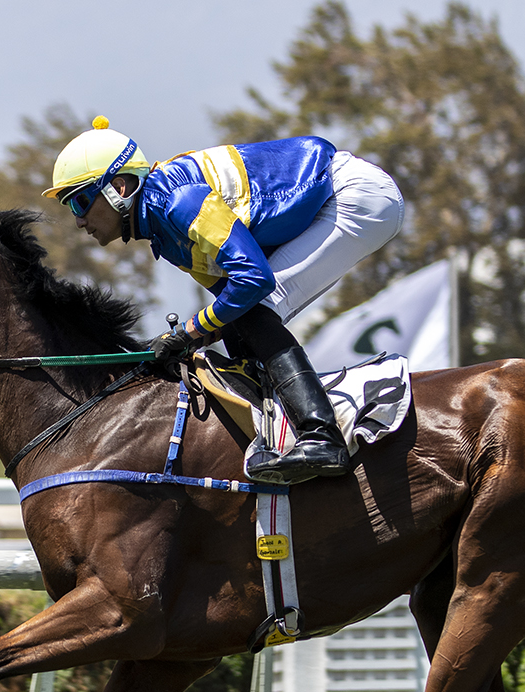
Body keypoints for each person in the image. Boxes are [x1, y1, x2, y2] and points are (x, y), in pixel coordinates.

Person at [44, 117, 404, 485]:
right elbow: (228, 306)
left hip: (353, 195)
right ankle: (279, 433)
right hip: (337, 199)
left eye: (81, 202)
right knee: (241, 326)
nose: (79, 221)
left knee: (255, 311)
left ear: (119, 188)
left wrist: (187, 332)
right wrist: (185, 342)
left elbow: (253, 282)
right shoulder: (161, 231)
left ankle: (322, 436)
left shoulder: (179, 203)